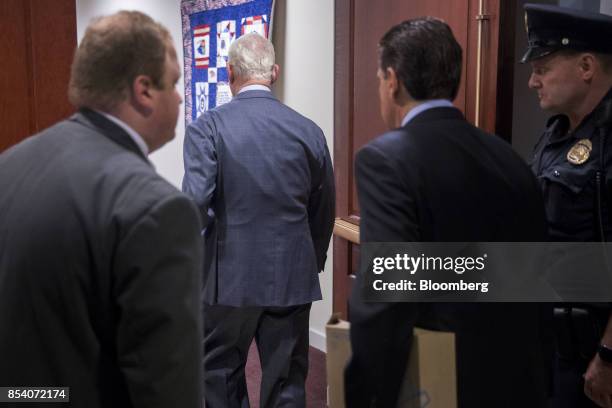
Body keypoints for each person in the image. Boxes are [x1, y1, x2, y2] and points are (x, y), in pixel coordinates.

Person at [344, 17, 551, 407]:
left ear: (392, 80)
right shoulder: (510, 159)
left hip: (437, 382)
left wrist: (363, 394)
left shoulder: (385, 159)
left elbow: (389, 296)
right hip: (517, 381)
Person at [0, 11, 203, 408]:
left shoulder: (10, 164)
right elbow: (166, 386)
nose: (180, 96)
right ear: (143, 90)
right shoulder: (157, 209)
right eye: (175, 82)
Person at [182, 32, 335, 408]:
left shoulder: (207, 128)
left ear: (229, 73)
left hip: (225, 281)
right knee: (286, 380)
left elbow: (195, 204)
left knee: (219, 373)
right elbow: (323, 206)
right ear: (275, 73)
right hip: (291, 276)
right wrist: (311, 261)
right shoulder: (309, 131)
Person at [522, 4, 612, 407]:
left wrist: (609, 356)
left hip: (593, 352)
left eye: (542, 68)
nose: (532, 82)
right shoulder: (556, 133)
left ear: (587, 66)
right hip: (550, 344)